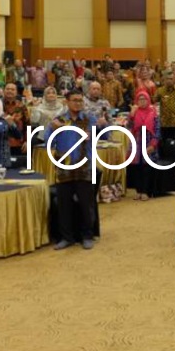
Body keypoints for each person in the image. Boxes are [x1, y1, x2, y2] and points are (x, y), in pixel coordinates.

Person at [48, 91, 99, 250]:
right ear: (67, 102)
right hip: (64, 167)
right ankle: (66, 237)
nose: (78, 103)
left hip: (85, 167)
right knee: (64, 205)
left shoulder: (89, 119)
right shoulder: (58, 121)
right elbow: (48, 142)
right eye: (74, 100)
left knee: (86, 204)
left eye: (80, 100)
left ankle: (87, 236)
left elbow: (95, 137)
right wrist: (53, 129)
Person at [126, 90, 160, 201]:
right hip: (136, 143)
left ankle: (145, 191)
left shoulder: (154, 113)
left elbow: (157, 131)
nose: (142, 101)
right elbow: (128, 127)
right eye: (140, 99)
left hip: (149, 143)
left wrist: (153, 145)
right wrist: (131, 115)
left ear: (148, 100)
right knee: (136, 168)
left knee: (147, 168)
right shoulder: (134, 113)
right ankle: (138, 191)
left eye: (144, 99)